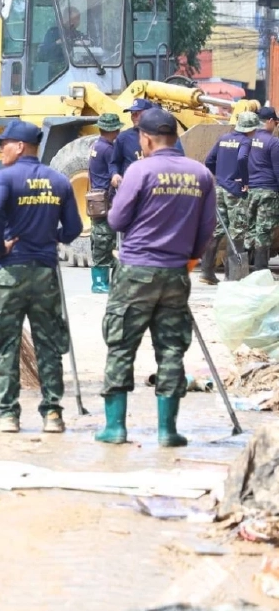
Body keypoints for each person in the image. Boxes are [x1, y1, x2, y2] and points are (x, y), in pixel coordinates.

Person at [96, 108, 215, 447]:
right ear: (175, 137)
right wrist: (188, 259)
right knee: (171, 349)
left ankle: (115, 428)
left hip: (135, 271)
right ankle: (168, 431)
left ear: (145, 139)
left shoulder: (140, 170)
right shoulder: (201, 174)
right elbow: (207, 229)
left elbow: (117, 221)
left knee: (121, 346)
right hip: (176, 272)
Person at [0, 121, 83, 433]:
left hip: (10, 271)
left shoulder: (4, 178)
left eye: (5, 143)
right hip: (44, 272)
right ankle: (53, 414)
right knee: (49, 344)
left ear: (22, 146)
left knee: (5, 343)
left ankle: (8, 414)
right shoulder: (59, 180)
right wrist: (49, 235)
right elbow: (74, 230)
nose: (1, 149)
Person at [200, 111, 256, 284]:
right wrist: (244, 181)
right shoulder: (245, 141)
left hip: (220, 188)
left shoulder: (223, 138)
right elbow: (242, 159)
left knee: (216, 231)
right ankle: (233, 277)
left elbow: (209, 160)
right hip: (235, 191)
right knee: (237, 232)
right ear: (250, 129)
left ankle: (206, 272)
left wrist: (220, 176)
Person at [111, 98, 184, 186]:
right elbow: (114, 162)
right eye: (132, 113)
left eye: (138, 113)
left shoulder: (165, 135)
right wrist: (114, 174)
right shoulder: (123, 137)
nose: (134, 116)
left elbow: (180, 162)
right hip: (132, 188)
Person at [88, 112, 122, 294]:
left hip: (97, 198)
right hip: (105, 201)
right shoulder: (108, 150)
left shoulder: (96, 144)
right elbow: (113, 176)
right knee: (104, 240)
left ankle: (106, 281)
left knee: (101, 239)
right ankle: (100, 283)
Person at [246, 107, 279, 273]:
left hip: (250, 190)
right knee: (263, 231)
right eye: (276, 122)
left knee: (249, 228)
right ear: (270, 121)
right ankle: (260, 270)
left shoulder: (247, 138)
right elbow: (278, 170)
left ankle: (241, 267)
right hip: (268, 192)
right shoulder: (273, 142)